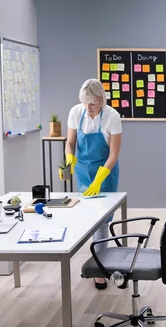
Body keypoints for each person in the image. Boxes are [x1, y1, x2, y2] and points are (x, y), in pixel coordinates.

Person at [61, 78, 122, 290]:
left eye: (92, 103)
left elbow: (113, 154)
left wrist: (99, 179)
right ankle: (94, 261)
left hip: (105, 171)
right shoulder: (76, 112)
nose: (88, 107)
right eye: (85, 102)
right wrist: (69, 161)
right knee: (86, 215)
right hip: (83, 170)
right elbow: (70, 143)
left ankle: (99, 269)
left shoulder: (112, 117)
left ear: (100, 99)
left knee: (103, 220)